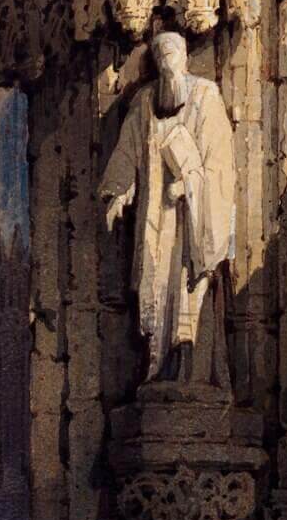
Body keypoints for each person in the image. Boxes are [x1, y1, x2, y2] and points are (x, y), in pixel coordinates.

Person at [100, 29, 235, 389]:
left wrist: (192, 184)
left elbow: (220, 161)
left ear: (185, 57)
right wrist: (119, 191)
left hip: (192, 220)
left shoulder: (206, 96)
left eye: (172, 54)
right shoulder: (145, 101)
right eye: (159, 56)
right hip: (155, 214)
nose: (166, 62)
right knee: (155, 285)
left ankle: (188, 366)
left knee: (188, 288)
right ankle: (155, 363)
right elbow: (128, 150)